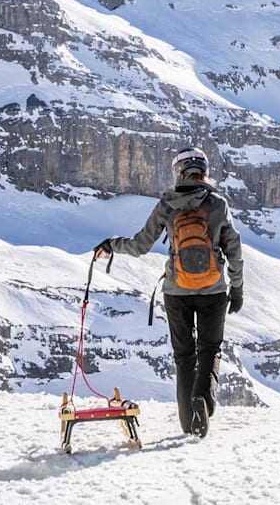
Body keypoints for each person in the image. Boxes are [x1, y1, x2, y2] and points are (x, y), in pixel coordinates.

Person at [94, 146, 244, 437]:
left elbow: (140, 245)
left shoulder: (167, 204)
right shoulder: (217, 204)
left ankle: (189, 425)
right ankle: (204, 400)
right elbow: (234, 251)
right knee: (210, 350)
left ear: (179, 172)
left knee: (184, 358)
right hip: (213, 290)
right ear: (204, 171)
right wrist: (237, 289)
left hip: (176, 292)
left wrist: (112, 244)